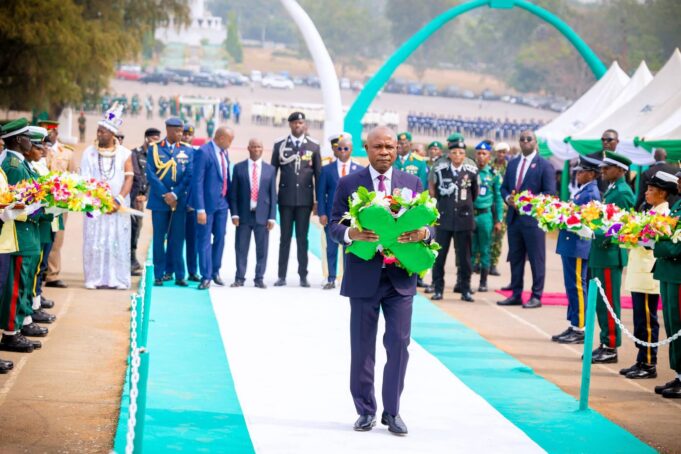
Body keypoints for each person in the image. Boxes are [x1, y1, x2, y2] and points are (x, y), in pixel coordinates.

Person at [329, 126, 433, 435]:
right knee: (362, 346)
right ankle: (365, 410)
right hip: (363, 276)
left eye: (389, 146)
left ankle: (392, 411)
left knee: (399, 344)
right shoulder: (349, 183)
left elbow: (430, 223)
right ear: (367, 148)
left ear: (397, 149)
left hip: (400, 279)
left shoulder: (412, 183)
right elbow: (334, 225)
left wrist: (424, 234)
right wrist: (351, 233)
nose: (384, 152)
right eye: (378, 146)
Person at [620, 171, 677, 379]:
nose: (646, 193)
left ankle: (649, 363)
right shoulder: (651, 212)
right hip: (639, 272)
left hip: (648, 274)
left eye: (651, 190)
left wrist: (638, 238)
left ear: (662, 193)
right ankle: (641, 359)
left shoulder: (665, 215)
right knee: (639, 320)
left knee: (647, 320)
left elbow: (656, 244)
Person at [498, 131, 556, 309]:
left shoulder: (544, 165)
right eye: (522, 139)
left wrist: (527, 202)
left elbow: (549, 193)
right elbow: (504, 188)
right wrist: (508, 198)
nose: (525, 142)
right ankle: (516, 294)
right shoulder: (513, 163)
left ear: (535, 142)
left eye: (529, 139)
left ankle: (536, 295)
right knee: (516, 258)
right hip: (514, 219)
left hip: (533, 221)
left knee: (536, 259)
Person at [588, 151, 636, 363]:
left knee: (608, 303)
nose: (603, 171)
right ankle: (605, 341)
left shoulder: (623, 192)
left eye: (607, 168)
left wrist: (597, 234)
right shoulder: (614, 189)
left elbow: (622, 226)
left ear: (620, 170)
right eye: (603, 167)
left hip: (610, 254)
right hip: (602, 253)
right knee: (601, 302)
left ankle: (611, 346)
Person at [0, 118, 43, 353]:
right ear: (18, 139)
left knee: (22, 283)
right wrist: (38, 209)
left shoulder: (20, 163)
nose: (31, 142)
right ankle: (11, 332)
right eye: (27, 137)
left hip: (26, 231)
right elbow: (15, 203)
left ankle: (17, 327)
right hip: (18, 233)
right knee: (15, 285)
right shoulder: (14, 166)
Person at [80, 105, 133, 289]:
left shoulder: (125, 154)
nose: (99, 134)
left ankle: (117, 279)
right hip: (95, 205)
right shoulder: (89, 153)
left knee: (117, 240)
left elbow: (129, 178)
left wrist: (118, 200)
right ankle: (94, 278)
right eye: (98, 130)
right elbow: (85, 180)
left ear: (112, 134)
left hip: (118, 205)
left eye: (103, 131)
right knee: (96, 241)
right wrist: (100, 201)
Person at [552, 156, 601, 344]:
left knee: (578, 286)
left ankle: (580, 328)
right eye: (578, 171)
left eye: (582, 171)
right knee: (572, 286)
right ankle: (574, 324)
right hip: (571, 244)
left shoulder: (591, 193)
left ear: (592, 174)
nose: (578, 174)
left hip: (578, 244)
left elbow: (588, 221)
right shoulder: (584, 190)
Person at [271, 112, 321, 288]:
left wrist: (318, 201)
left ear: (304, 124)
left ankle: (303, 276)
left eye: (300, 122)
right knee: (284, 238)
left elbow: (318, 176)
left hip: (305, 202)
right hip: (285, 200)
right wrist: (272, 198)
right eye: (295, 123)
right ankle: (281, 275)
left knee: (302, 239)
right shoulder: (280, 145)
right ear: (290, 124)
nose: (298, 125)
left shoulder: (313, 146)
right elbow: (272, 174)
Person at [428, 133, 478, 302]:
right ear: (449, 154)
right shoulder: (440, 170)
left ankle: (465, 289)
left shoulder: (471, 171)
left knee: (465, 258)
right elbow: (434, 190)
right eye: (454, 152)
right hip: (444, 218)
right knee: (439, 256)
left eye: (461, 153)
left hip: (464, 220)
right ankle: (438, 289)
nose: (457, 155)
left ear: (465, 155)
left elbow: (474, 193)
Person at [146, 117, 193, 287]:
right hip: (159, 202)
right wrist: (165, 194)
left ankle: (179, 275)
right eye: (177, 131)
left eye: (182, 131)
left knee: (177, 239)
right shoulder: (155, 149)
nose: (181, 134)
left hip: (179, 202)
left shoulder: (187, 150)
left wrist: (175, 194)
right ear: (168, 130)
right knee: (159, 239)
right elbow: (151, 174)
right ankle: (159, 274)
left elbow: (189, 174)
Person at [229, 139, 276, 288]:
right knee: (241, 248)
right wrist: (234, 214)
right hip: (243, 215)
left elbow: (273, 195)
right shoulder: (239, 168)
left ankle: (259, 278)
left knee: (262, 249)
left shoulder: (270, 170)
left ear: (262, 149)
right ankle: (239, 278)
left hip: (262, 216)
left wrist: (272, 217)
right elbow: (233, 193)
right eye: (254, 147)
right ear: (248, 148)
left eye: (259, 147)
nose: (256, 149)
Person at [317, 133, 362, 289]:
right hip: (332, 216)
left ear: (351, 150)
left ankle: (347, 279)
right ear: (336, 150)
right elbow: (321, 193)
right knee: (331, 248)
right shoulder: (327, 169)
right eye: (340, 148)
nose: (342, 151)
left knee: (349, 249)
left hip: (351, 218)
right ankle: (331, 278)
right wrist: (322, 213)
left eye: (346, 149)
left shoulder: (359, 170)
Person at [191, 127, 233, 290]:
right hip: (206, 206)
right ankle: (206, 276)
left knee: (220, 237)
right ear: (221, 138)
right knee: (204, 239)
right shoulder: (203, 152)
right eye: (230, 140)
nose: (230, 144)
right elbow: (197, 182)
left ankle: (215, 271)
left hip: (222, 204)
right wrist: (200, 209)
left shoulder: (224, 152)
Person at [652, 170, 681, 398]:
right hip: (669, 272)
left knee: (679, 324)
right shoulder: (678, 204)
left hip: (677, 273)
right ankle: (679, 374)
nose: (678, 183)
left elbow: (675, 246)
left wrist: (657, 245)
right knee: (672, 325)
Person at [41, 119, 77, 289]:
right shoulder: (38, 151)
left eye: (49, 132)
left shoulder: (67, 153)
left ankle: (52, 274)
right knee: (40, 237)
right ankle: (39, 272)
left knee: (57, 238)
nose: (47, 136)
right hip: (40, 203)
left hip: (59, 204)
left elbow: (74, 177)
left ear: (56, 132)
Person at [471, 140, 503, 292]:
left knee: (485, 249)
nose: (481, 156)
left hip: (485, 216)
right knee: (469, 249)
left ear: (489, 156)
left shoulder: (493, 174)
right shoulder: (470, 172)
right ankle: (465, 282)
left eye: (484, 154)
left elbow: (498, 198)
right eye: (479, 153)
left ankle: (483, 282)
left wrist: (499, 220)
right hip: (470, 215)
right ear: (475, 155)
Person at [130, 127, 160, 275]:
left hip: (142, 197)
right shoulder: (135, 154)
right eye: (153, 139)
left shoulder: (157, 156)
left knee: (137, 227)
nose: (155, 142)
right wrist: (137, 194)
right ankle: (130, 260)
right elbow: (135, 176)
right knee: (131, 227)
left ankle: (132, 259)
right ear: (146, 138)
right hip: (132, 196)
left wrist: (146, 195)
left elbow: (154, 177)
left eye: (157, 140)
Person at [180, 124, 200, 282]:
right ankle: (172, 271)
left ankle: (192, 271)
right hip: (176, 203)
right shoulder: (173, 153)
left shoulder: (197, 154)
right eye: (184, 133)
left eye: (189, 134)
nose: (186, 136)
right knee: (175, 241)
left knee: (193, 242)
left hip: (192, 205)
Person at [489, 142, 509, 276]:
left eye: (503, 152)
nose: (501, 154)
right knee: (485, 235)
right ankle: (479, 262)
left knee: (498, 236)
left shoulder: (510, 167)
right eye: (499, 152)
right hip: (489, 205)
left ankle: (493, 264)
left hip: (503, 207)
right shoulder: (489, 166)